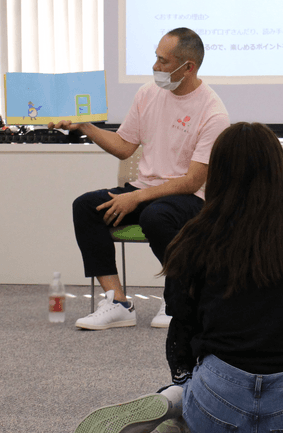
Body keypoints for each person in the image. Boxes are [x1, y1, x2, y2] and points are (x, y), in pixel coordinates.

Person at [73, 122, 283, 433]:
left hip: (215, 427)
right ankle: (186, 399)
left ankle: (179, 397)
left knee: (201, 379)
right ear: (281, 169)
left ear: (218, 173)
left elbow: (184, 327)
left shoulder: (195, 235)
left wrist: (188, 375)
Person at [49, 28, 230, 330]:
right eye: (155, 58)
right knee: (86, 206)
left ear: (189, 68)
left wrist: (136, 197)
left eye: (163, 61)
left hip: (189, 198)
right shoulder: (148, 93)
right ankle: (117, 301)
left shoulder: (213, 112)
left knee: (156, 216)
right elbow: (124, 147)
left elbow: (192, 181)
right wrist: (85, 127)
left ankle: (180, 298)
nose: (155, 67)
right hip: (145, 190)